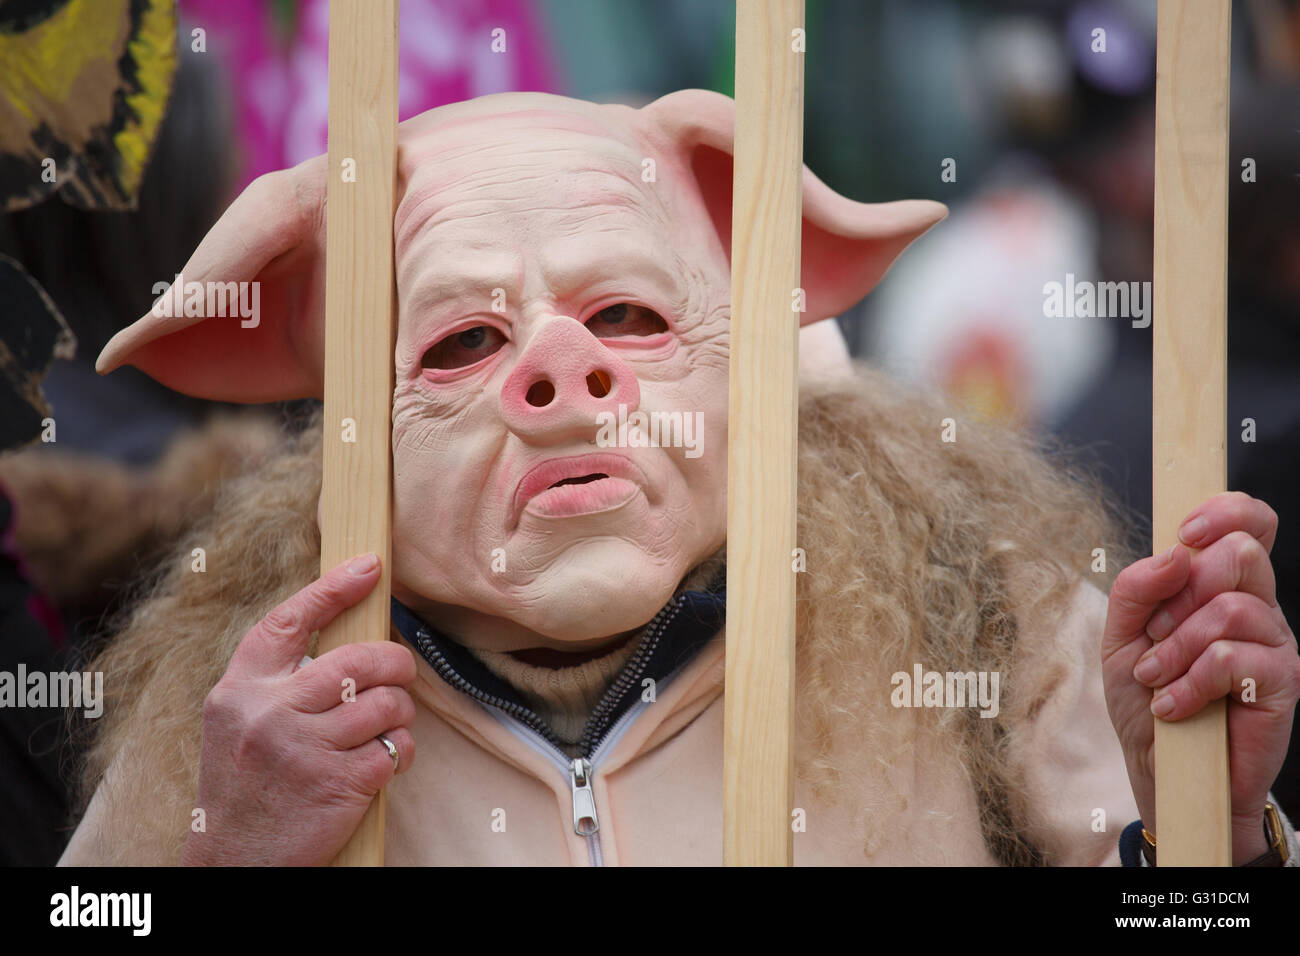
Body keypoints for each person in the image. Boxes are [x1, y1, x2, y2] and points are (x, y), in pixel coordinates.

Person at [59, 90, 1299, 866]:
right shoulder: (254, 698)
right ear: (337, 412)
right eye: (461, 342)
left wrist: (1208, 835)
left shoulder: (976, 602)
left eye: (631, 316)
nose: (561, 376)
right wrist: (222, 848)